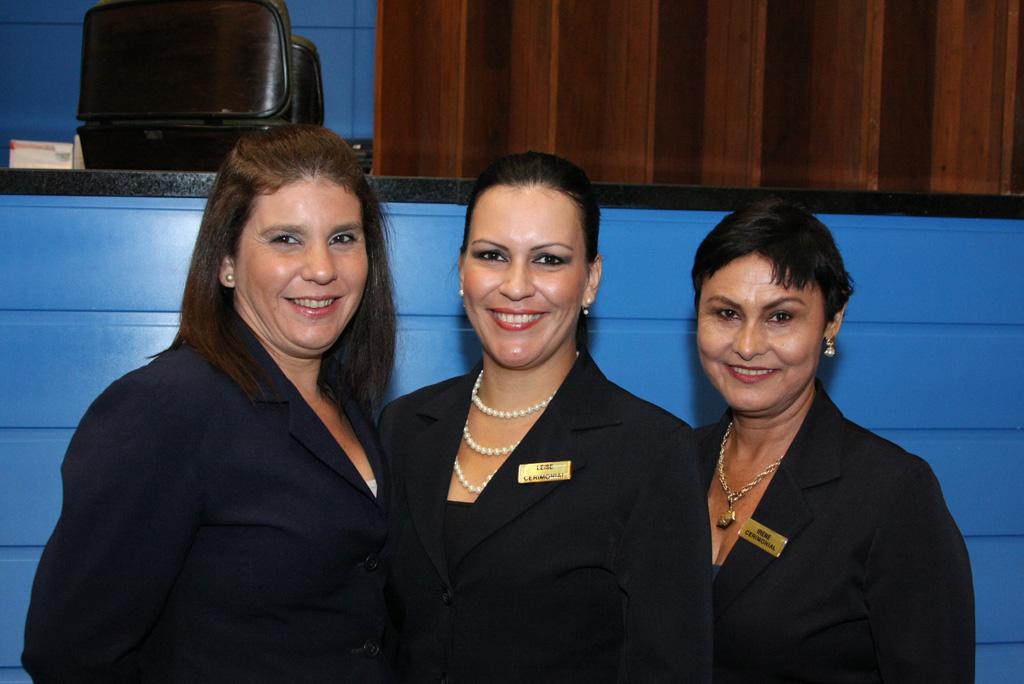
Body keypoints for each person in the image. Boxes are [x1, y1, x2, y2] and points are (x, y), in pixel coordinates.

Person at [22, 125, 397, 682]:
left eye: (343, 237)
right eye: (286, 239)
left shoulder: (346, 399)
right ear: (226, 261)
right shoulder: (163, 410)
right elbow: (68, 653)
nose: (322, 268)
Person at [380, 151, 712, 683]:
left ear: (591, 279)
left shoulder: (650, 451)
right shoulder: (404, 426)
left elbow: (670, 666)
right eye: (492, 255)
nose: (516, 286)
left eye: (549, 260)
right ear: (461, 269)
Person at [692, 198, 974, 682]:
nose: (747, 345)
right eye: (727, 313)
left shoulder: (892, 494)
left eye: (781, 317)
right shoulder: (669, 464)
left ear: (832, 322)